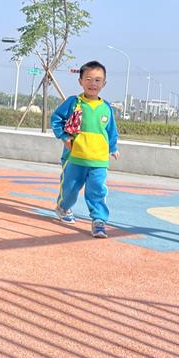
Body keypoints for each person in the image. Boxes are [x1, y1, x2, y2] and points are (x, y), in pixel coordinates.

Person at [50, 60, 119, 238]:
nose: (92, 83)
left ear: (104, 84)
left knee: (97, 190)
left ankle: (99, 221)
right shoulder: (74, 102)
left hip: (99, 159)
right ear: (80, 81)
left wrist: (113, 147)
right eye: (88, 79)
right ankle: (63, 207)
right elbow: (56, 119)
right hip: (75, 156)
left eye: (97, 80)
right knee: (70, 189)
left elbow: (111, 131)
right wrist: (64, 136)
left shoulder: (106, 107)